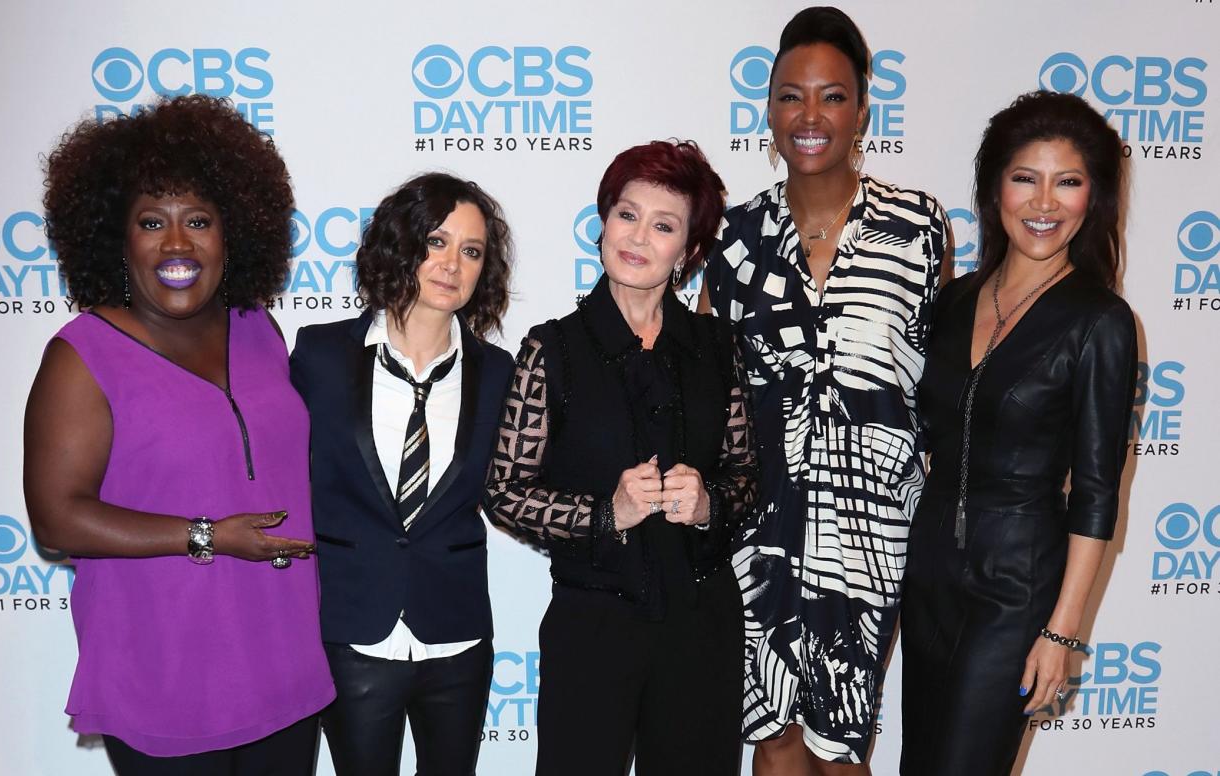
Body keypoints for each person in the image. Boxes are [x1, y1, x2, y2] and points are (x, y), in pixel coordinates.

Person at [24, 94, 334, 774]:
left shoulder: (259, 332)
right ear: (116, 235)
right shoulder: (83, 356)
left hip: (283, 664)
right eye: (150, 221)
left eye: (198, 220)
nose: (176, 244)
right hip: (165, 676)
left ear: (235, 231)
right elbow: (57, 518)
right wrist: (208, 535)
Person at [699, 7, 951, 773]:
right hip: (760, 522)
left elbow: (943, 383)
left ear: (863, 108)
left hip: (872, 524)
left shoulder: (917, 228)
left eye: (832, 96)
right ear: (769, 109)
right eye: (790, 95)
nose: (810, 116)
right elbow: (712, 390)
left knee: (843, 746)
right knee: (773, 738)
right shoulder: (733, 241)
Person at [485, 140, 757, 776]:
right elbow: (505, 491)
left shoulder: (717, 348)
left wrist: (710, 504)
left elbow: (747, 473)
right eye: (626, 214)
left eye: (663, 226)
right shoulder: (552, 349)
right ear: (604, 221)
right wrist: (606, 513)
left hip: (701, 625)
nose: (638, 236)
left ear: (689, 251)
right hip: (592, 625)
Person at [899, 89, 1137, 775]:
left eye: (1068, 182)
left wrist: (1062, 630)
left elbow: (1096, 491)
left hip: (1016, 586)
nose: (1044, 203)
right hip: (930, 574)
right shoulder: (955, 300)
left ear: (1093, 198)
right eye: (1025, 178)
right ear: (993, 187)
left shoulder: (1100, 322)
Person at [290, 172, 514, 776]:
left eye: (471, 251)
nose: (451, 264)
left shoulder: (499, 374)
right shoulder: (320, 355)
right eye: (436, 242)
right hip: (354, 632)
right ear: (400, 245)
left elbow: (520, 485)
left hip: (458, 635)